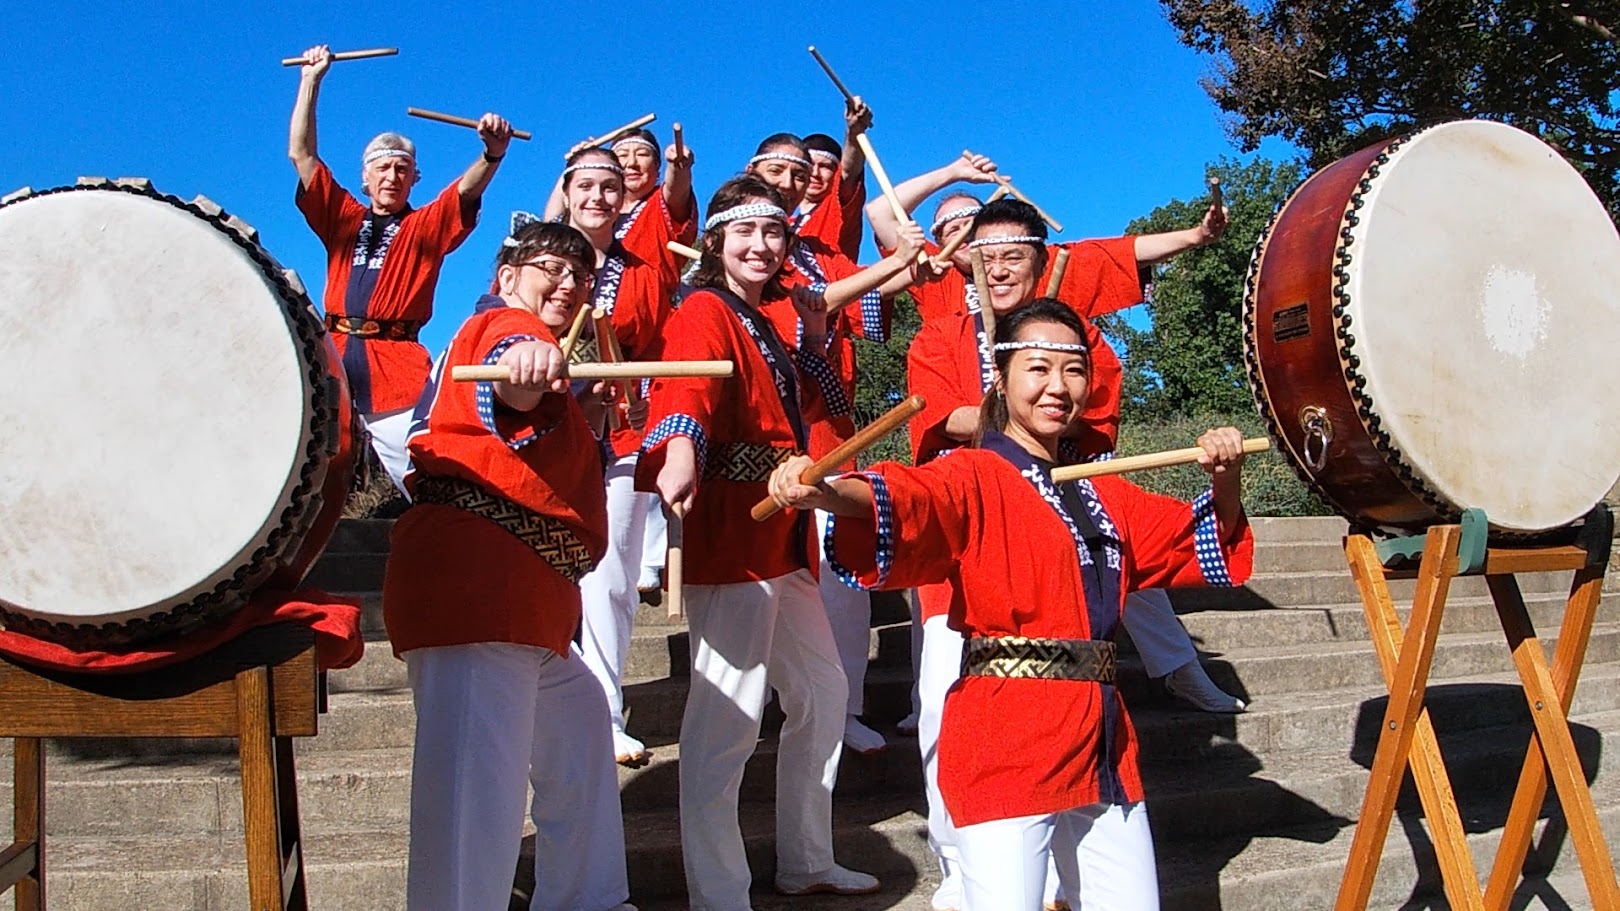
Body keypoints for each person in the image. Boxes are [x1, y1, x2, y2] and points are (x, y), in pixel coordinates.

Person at [767, 299, 1255, 911]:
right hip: (1005, 736)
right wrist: (826, 493)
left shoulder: (1105, 490)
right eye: (1038, 368)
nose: (1058, 387)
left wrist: (1225, 476)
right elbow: (910, 496)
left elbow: (1200, 540)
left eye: (1073, 371)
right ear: (1002, 380)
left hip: (1101, 736)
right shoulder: (972, 473)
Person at [900, 196, 1239, 911]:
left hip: (1072, 535)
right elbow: (928, 440)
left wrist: (1033, 389)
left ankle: (1055, 876)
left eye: (1012, 255)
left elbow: (1087, 417)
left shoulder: (1078, 344)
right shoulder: (938, 340)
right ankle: (964, 874)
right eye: (981, 254)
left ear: (1039, 259)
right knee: (939, 714)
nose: (997, 268)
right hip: (968, 564)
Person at [636, 175, 923, 908]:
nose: (761, 246)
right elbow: (684, 388)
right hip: (735, 533)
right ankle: (718, 892)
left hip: (784, 537)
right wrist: (678, 450)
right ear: (716, 241)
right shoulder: (703, 308)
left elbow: (823, 359)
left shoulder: (766, 317)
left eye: (773, 235)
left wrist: (846, 312)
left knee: (825, 694)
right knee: (725, 720)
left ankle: (805, 857)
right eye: (745, 233)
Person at [382, 221, 631, 911]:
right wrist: (528, 361)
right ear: (506, 275)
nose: (568, 281)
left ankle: (588, 899)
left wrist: (571, 402)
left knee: (579, 730)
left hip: (524, 598)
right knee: (470, 803)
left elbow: (528, 421)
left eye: (581, 274)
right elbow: (513, 368)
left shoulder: (535, 353)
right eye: (549, 265)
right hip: (478, 586)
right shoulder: (502, 325)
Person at [743, 130, 907, 755]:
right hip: (768, 437)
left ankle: (843, 709)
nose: (793, 182)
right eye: (780, 171)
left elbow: (864, 286)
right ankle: (760, 707)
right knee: (766, 582)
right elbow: (807, 304)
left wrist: (910, 259)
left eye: (802, 173)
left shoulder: (814, 250)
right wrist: (894, 266)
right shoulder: (745, 258)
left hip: (830, 430)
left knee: (840, 578)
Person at [288, 44, 513, 494]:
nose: (391, 176)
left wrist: (492, 155)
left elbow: (464, 193)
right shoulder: (343, 218)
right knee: (301, 476)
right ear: (364, 178)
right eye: (382, 168)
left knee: (421, 472)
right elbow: (302, 154)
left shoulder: (423, 228)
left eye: (402, 168)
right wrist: (310, 81)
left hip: (396, 369)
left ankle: (444, 549)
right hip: (330, 356)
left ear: (415, 179)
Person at [539, 140, 696, 767]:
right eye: (586, 185)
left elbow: (661, 343)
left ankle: (603, 712)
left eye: (610, 186)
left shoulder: (643, 271)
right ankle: (548, 701)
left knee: (610, 579)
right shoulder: (545, 264)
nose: (599, 197)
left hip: (625, 433)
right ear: (568, 191)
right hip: (549, 430)